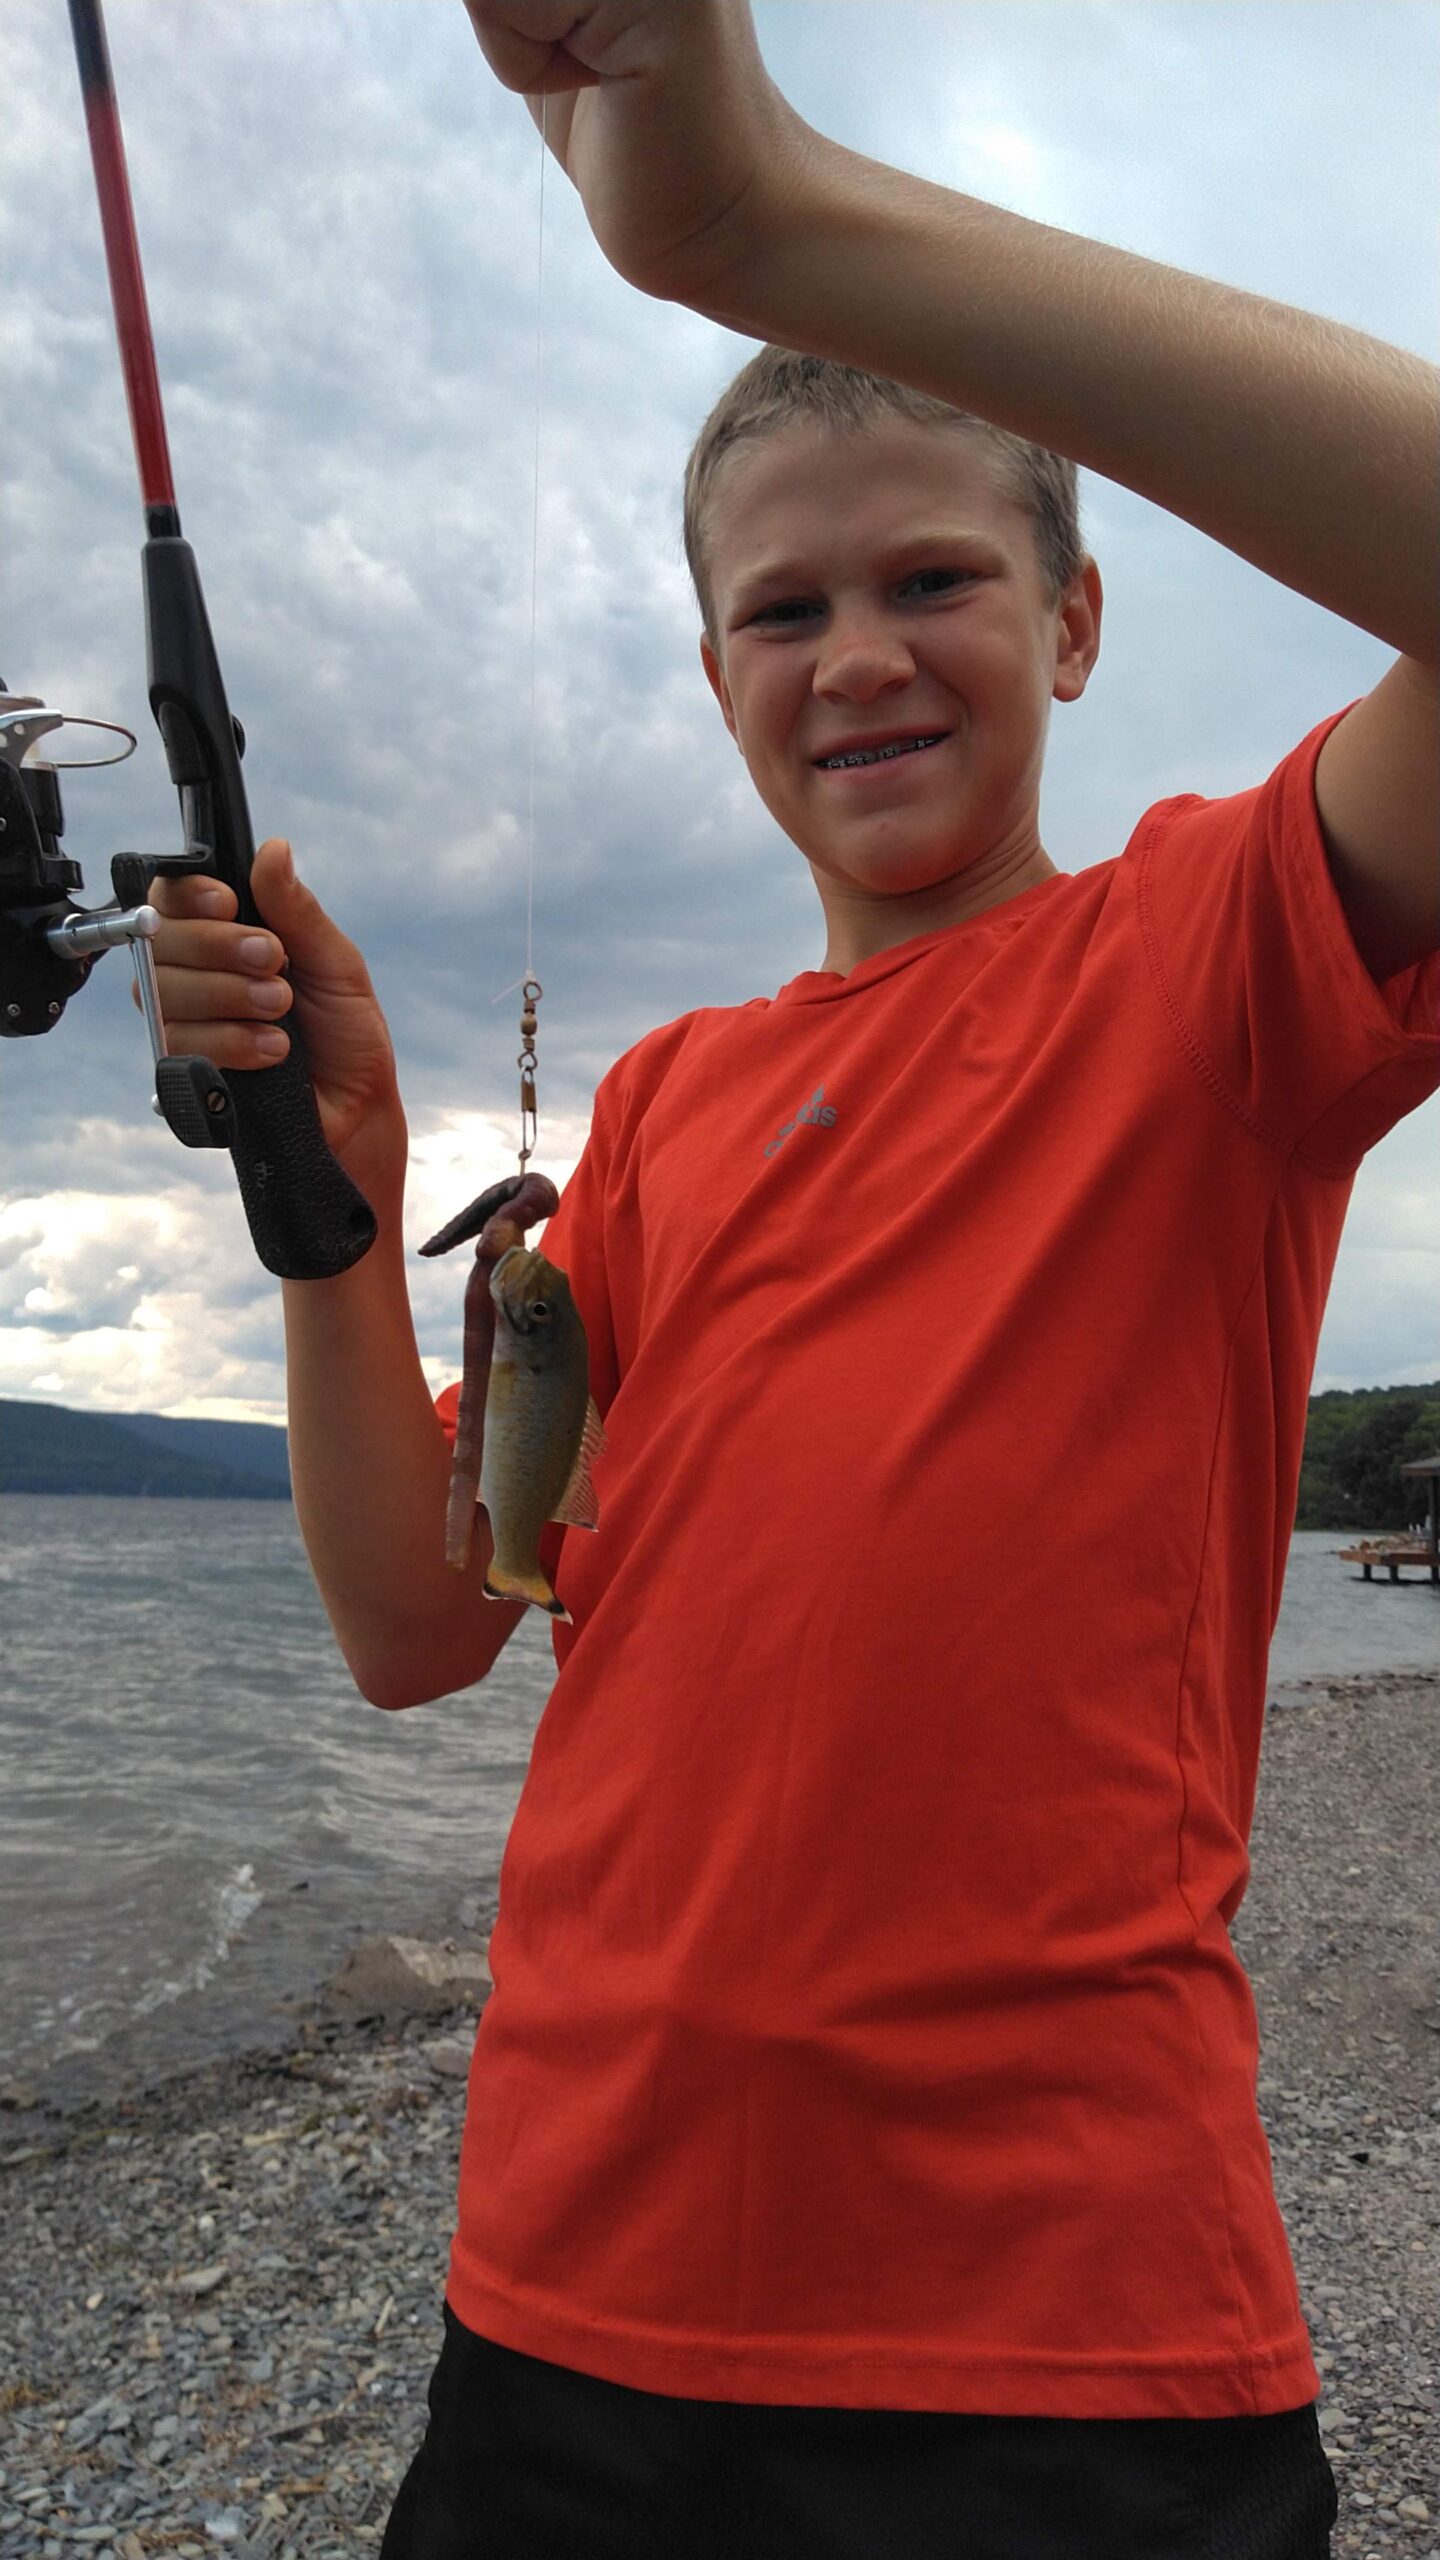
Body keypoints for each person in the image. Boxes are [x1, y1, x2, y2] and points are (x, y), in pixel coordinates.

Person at [149, 5, 1439, 2551]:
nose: (855, 652)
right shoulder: (661, 1111)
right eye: (782, 606)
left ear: (1077, 624)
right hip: (565, 2289)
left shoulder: (1207, 960)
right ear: (713, 671)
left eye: (934, 577)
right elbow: (424, 1620)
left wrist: (759, 222)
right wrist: (337, 1203)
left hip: (1064, 2338)